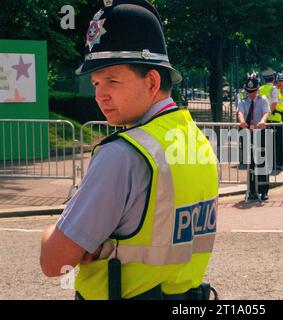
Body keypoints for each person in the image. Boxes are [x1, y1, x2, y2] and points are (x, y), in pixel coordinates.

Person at [40, 0, 219, 301]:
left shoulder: (122, 154)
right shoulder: (196, 139)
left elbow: (55, 262)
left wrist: (56, 228)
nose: (100, 95)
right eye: (96, 82)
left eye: (112, 80)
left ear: (151, 81)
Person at [238, 76, 270, 201]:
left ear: (257, 90)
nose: (250, 94)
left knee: (261, 161)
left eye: (253, 92)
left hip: (259, 132)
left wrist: (262, 121)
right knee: (249, 162)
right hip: (247, 133)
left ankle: (264, 190)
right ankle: (251, 189)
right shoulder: (243, 101)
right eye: (249, 92)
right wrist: (241, 121)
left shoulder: (263, 100)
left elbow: (266, 112)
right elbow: (240, 113)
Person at [259, 69, 283, 170]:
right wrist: (268, 115)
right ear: (273, 78)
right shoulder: (274, 89)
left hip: (262, 120)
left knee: (264, 142)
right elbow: (274, 104)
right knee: (275, 143)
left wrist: (263, 117)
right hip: (274, 119)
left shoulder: (260, 89)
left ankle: (265, 163)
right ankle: (274, 164)